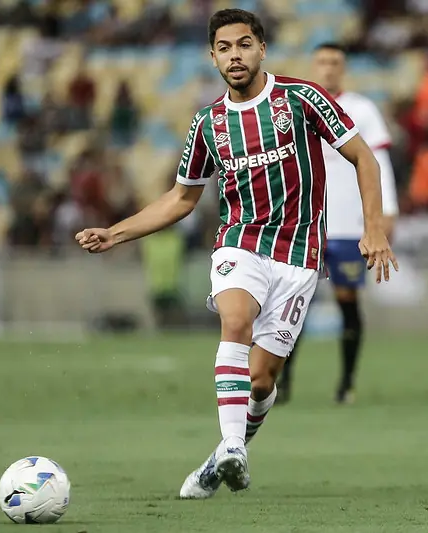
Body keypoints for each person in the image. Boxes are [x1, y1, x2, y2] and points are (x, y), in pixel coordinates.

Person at [74, 9, 397, 499]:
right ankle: (232, 447)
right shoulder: (208, 123)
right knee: (236, 321)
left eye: (244, 44)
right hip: (240, 243)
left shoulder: (302, 98)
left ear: (261, 48)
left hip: (299, 256)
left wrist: (374, 228)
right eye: (224, 48)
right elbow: (181, 198)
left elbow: (364, 157)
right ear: (212, 57)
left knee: (261, 382)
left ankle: (221, 458)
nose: (235, 55)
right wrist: (116, 233)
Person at [276, 43, 399, 406]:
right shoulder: (296, 106)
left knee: (347, 301)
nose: (328, 68)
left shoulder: (362, 109)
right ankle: (282, 382)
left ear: (343, 68)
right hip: (305, 224)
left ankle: (346, 382)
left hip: (347, 225)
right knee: (293, 305)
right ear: (313, 66)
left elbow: (378, 162)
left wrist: (386, 213)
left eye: (335, 62)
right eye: (322, 62)